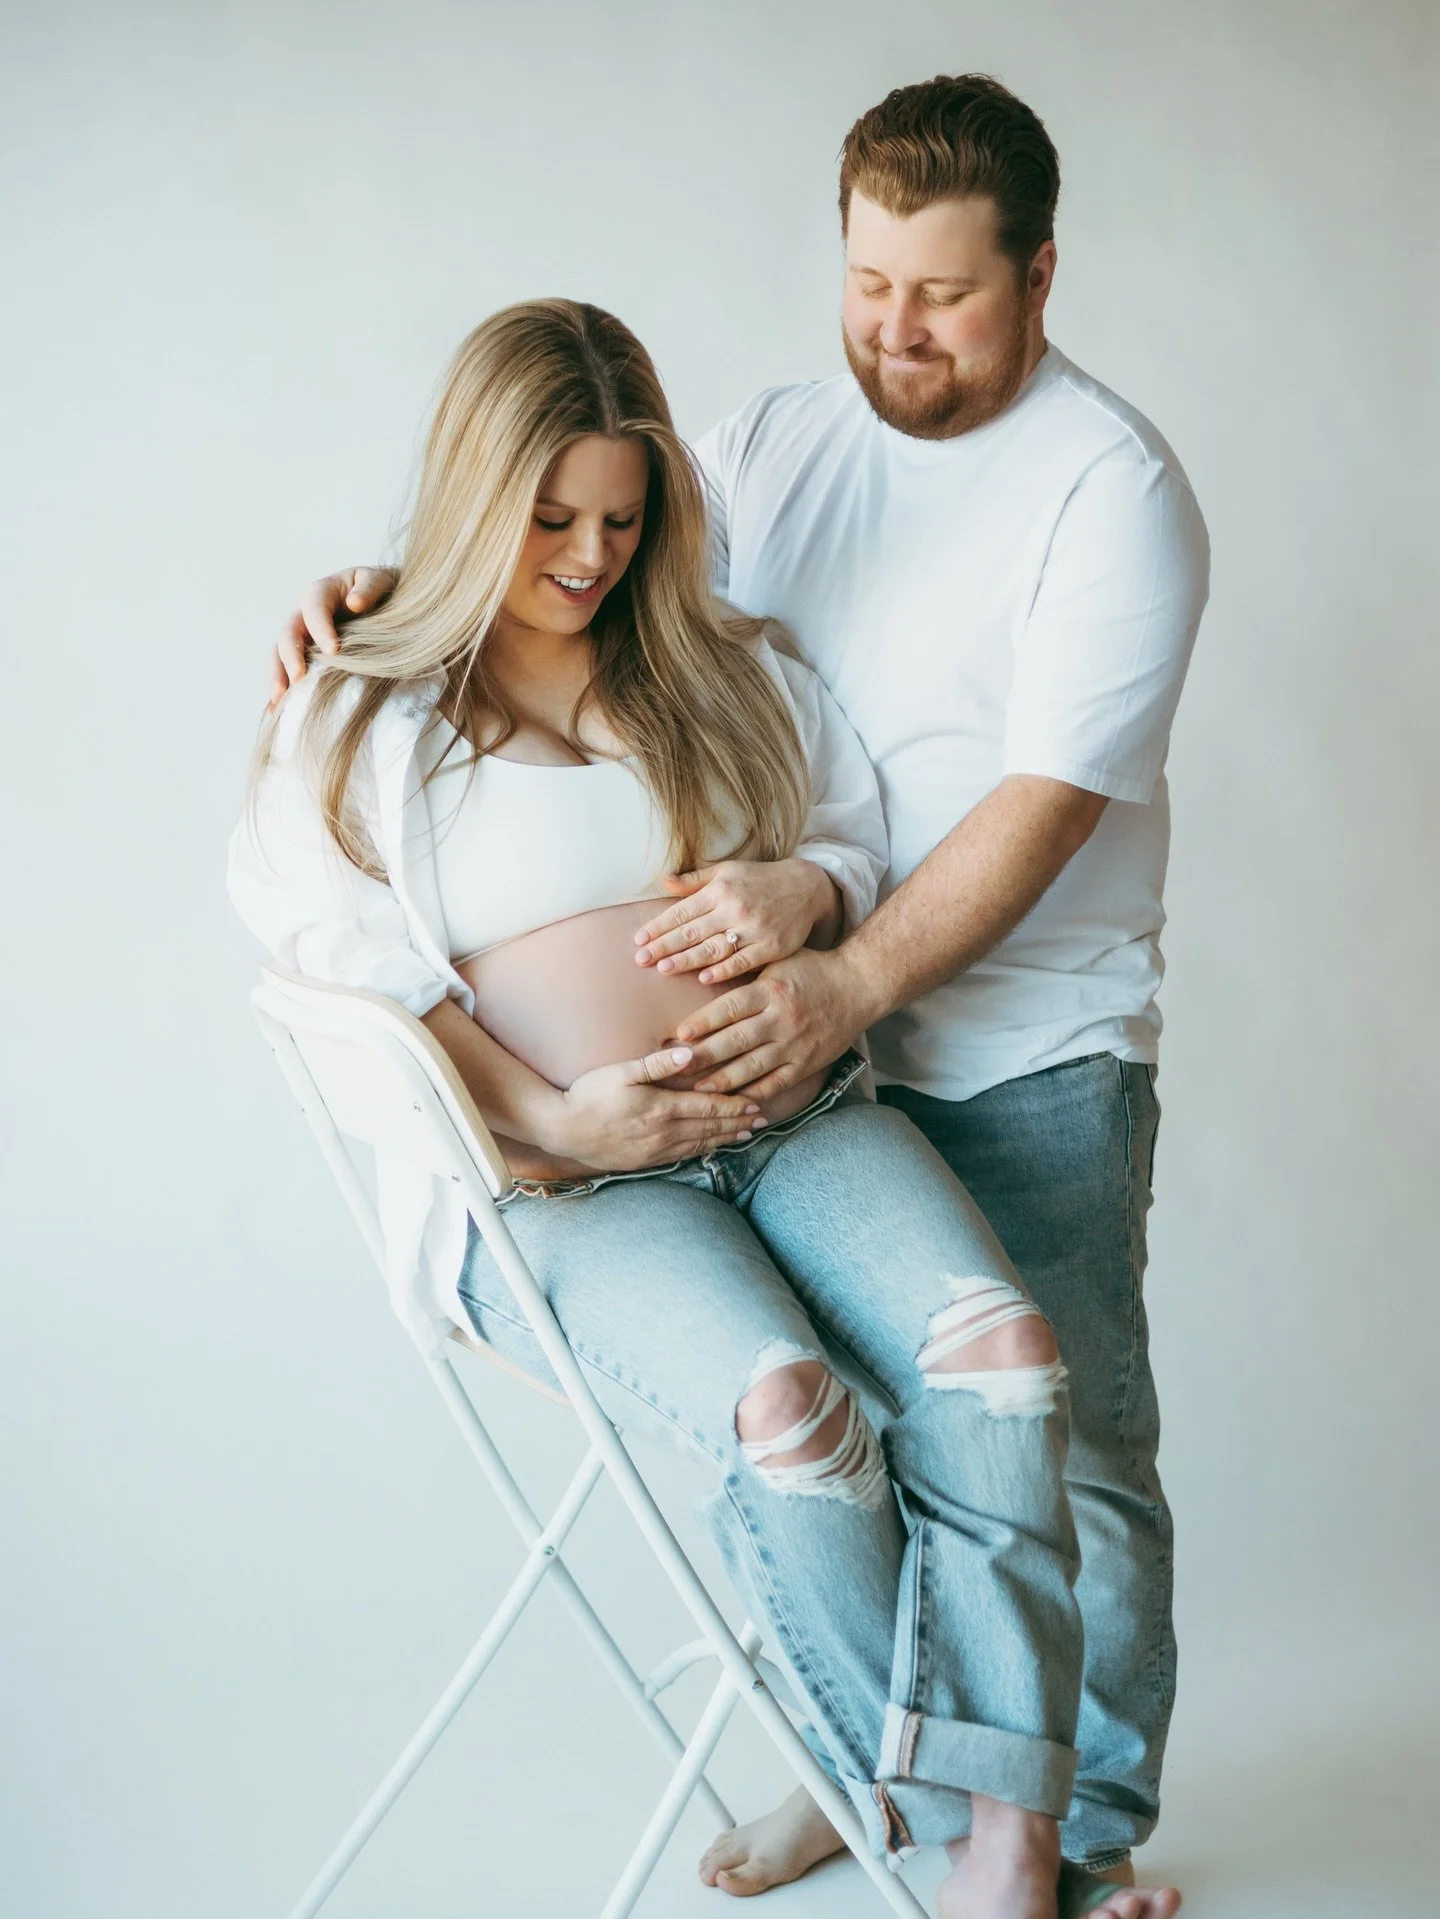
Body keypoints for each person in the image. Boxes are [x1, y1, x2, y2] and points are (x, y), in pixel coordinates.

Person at [271, 76, 1204, 1919]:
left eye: (942, 292)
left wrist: (829, 929)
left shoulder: (1113, 492)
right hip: (713, 1110)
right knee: (811, 1425)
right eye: (869, 281)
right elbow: (587, 559)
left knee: (1050, 1414)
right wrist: (399, 591)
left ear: (1037, 272)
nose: (897, 328)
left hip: (997, 1041)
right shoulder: (779, 442)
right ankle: (873, 1781)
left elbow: (1022, 803)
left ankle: (1054, 1828)